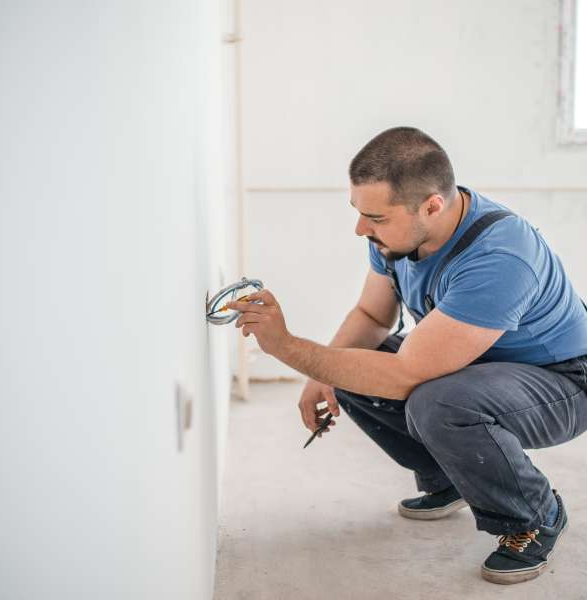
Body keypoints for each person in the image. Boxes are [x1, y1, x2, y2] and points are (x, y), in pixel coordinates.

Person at [225, 126, 587, 585]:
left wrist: (288, 348)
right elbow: (372, 316)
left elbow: (404, 374)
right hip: (483, 365)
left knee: (438, 403)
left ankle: (535, 515)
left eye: (374, 217)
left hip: (562, 381)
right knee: (353, 365)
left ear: (432, 205)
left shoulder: (500, 256)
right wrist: (319, 375)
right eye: (358, 212)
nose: (361, 228)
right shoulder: (396, 237)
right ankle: (449, 478)